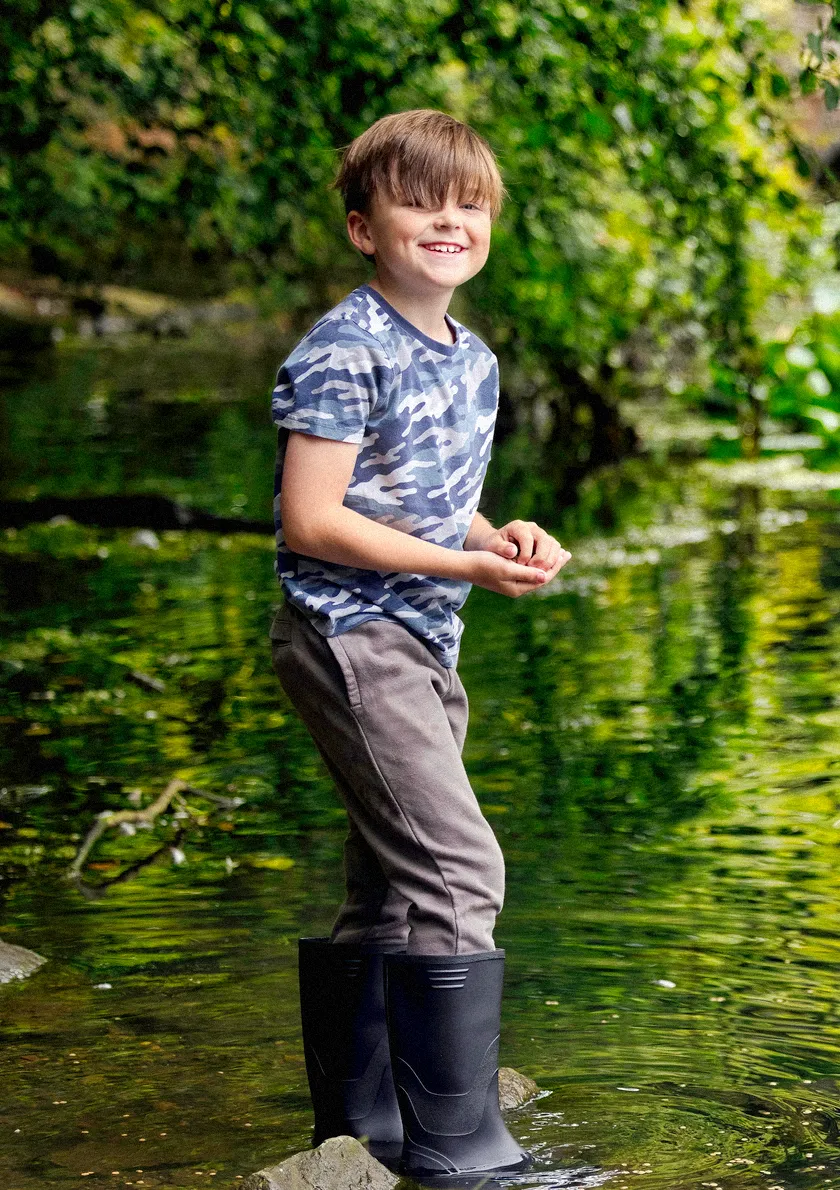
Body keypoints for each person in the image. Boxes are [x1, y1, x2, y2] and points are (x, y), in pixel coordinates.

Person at [269, 108, 571, 1180]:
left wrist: (503, 536)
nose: (449, 218)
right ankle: (462, 1146)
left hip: (419, 634)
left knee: (396, 880)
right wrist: (466, 568)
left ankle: (369, 1124)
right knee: (457, 863)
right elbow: (313, 518)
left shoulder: (470, 356)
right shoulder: (345, 346)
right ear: (364, 227)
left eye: (468, 203)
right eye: (419, 201)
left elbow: (437, 496)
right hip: (353, 634)